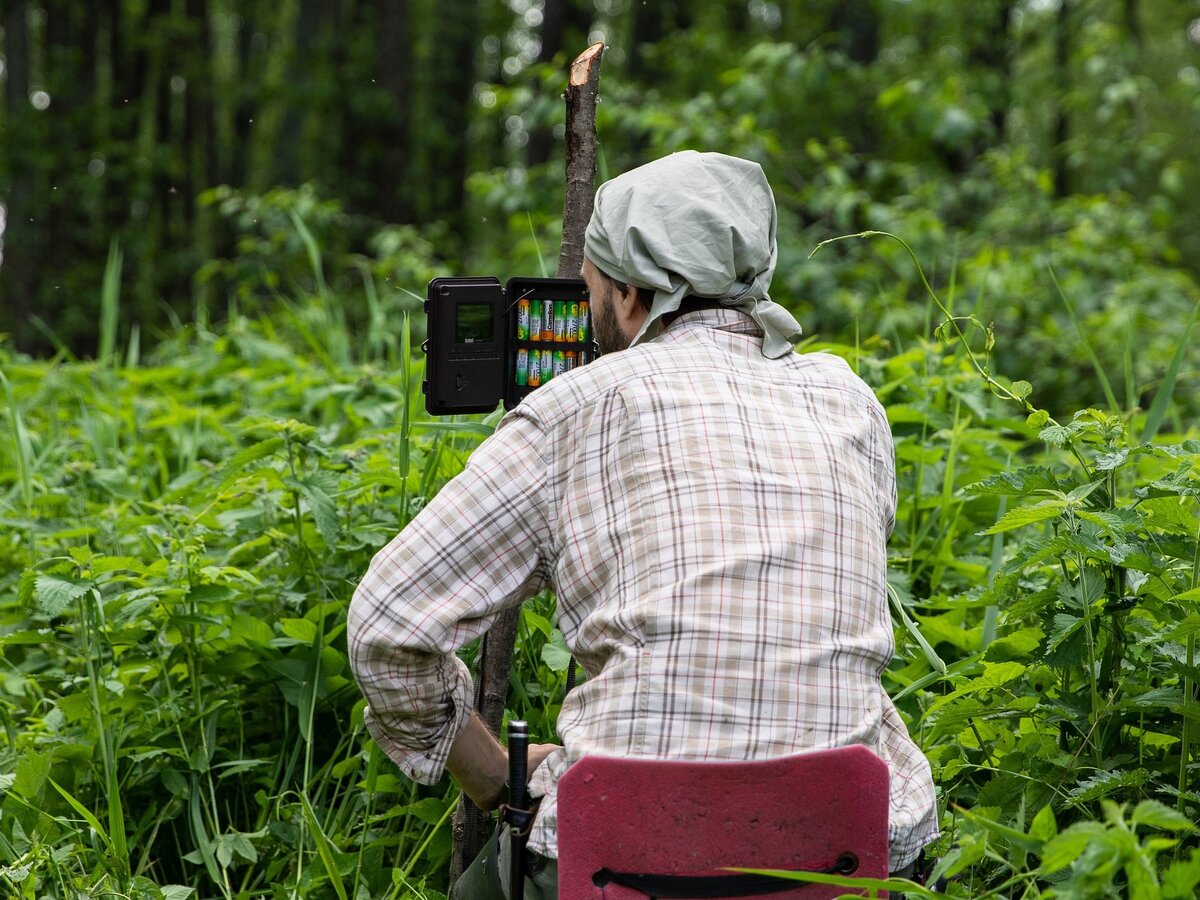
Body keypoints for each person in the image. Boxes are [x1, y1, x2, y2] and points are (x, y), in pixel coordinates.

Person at [347, 150, 939, 898]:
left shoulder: (577, 407)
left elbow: (386, 625)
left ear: (627, 296)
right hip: (846, 851)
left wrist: (493, 775)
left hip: (627, 858)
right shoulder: (848, 403)